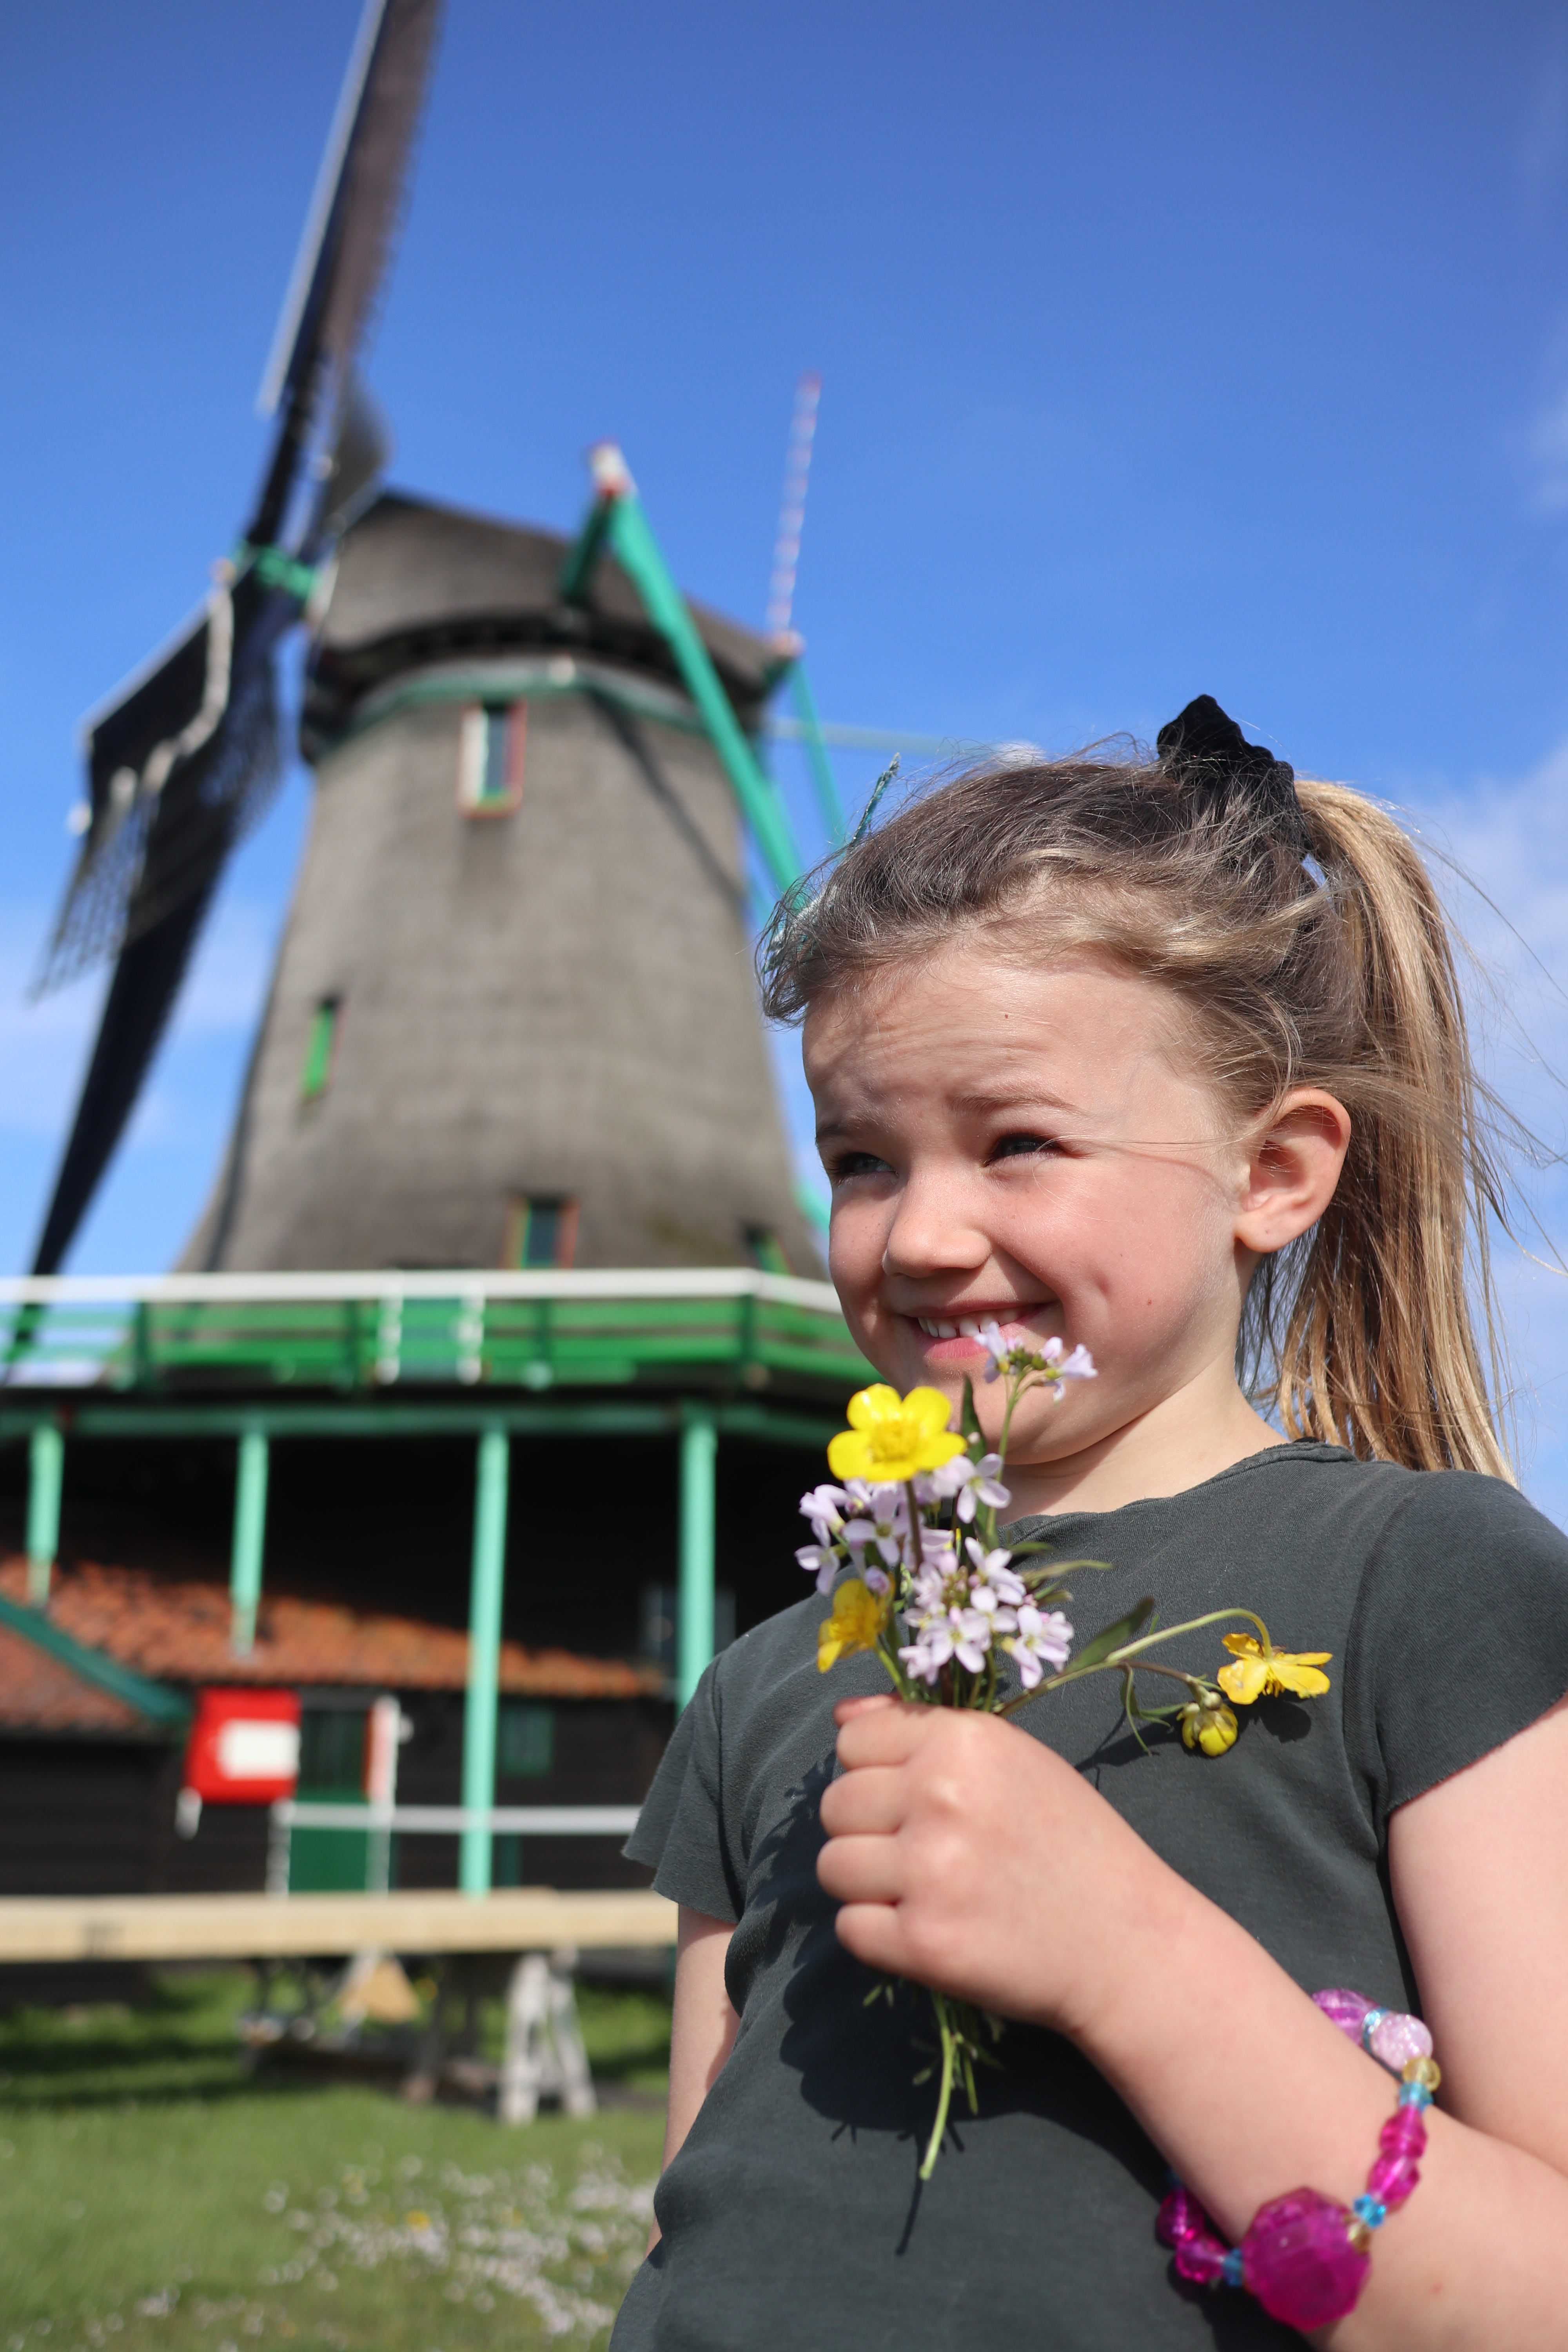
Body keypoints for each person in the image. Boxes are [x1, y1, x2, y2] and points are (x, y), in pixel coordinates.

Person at [610, 699, 1568, 2349]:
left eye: (1017, 1144)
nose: (917, 1234)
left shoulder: (1424, 1587)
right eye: (858, 1159)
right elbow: (703, 2208)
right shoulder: (770, 1680)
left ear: (1272, 1173)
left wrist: (1122, 1952)